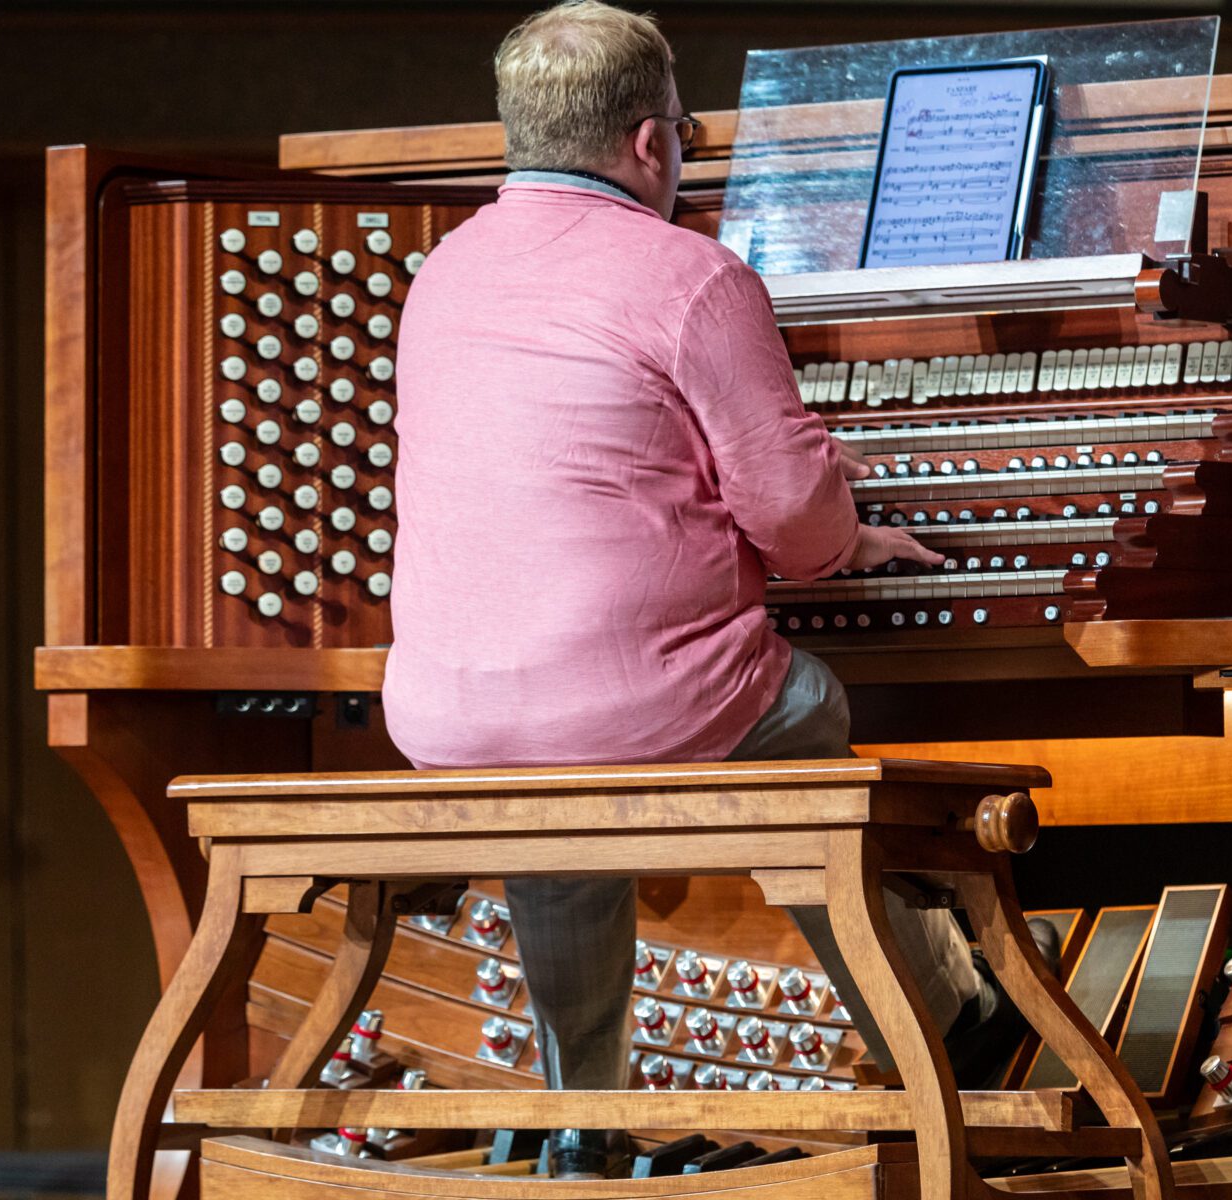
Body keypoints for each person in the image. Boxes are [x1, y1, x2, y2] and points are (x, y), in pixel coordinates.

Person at [383, 0, 1032, 1178]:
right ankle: (943, 1014)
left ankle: (589, 1116)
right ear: (647, 144)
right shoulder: (691, 274)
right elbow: (789, 519)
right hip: (629, 707)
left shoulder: (443, 270)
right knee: (805, 713)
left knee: (554, 799)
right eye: (684, 130)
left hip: (448, 713)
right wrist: (844, 530)